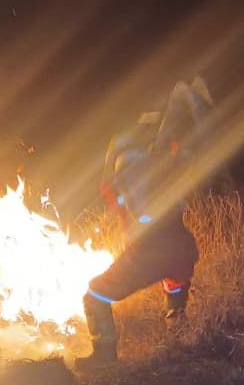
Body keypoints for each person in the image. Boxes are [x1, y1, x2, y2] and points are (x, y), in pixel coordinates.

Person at [81, 80, 212, 367]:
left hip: (148, 252)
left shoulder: (130, 166)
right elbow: (186, 150)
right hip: (182, 250)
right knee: (173, 285)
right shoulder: (171, 162)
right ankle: (177, 340)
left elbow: (128, 197)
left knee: (94, 295)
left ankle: (103, 357)